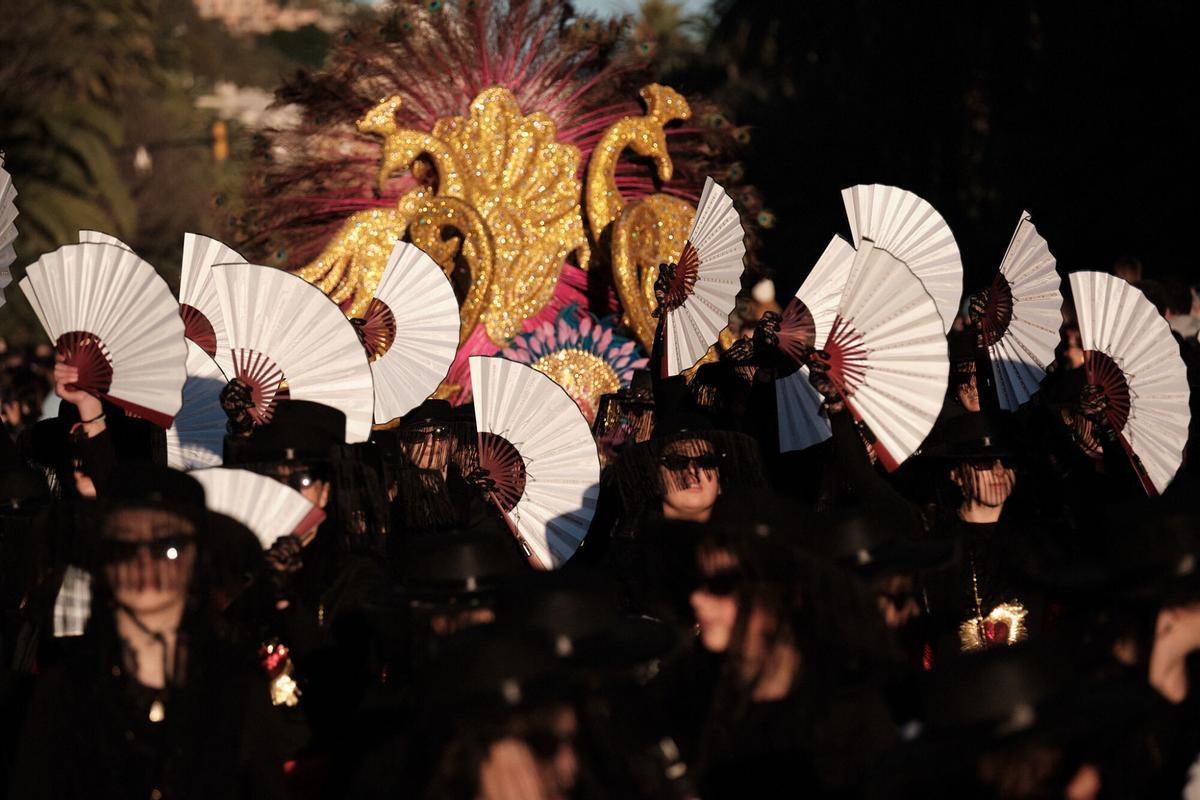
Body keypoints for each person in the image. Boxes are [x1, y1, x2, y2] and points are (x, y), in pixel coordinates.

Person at [8, 464, 286, 799]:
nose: (144, 562)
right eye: (125, 544)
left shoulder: (237, 689)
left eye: (167, 546)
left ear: (196, 560)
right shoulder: (63, 688)